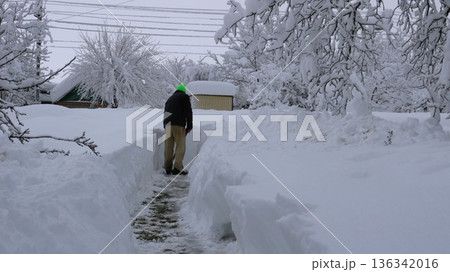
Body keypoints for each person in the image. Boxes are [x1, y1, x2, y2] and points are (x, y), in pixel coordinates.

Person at [163, 84, 193, 175]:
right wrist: (189, 126)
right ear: (184, 91)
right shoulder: (184, 97)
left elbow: (166, 112)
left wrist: (165, 125)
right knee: (180, 146)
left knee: (168, 146)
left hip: (168, 125)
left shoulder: (170, 99)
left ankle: (168, 168)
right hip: (179, 125)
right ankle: (177, 168)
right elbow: (188, 112)